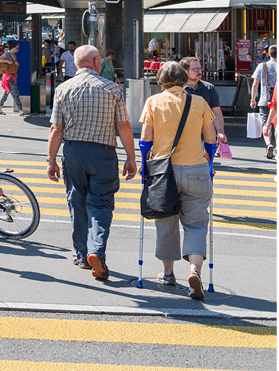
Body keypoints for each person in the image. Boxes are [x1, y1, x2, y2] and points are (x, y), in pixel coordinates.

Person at [46, 44, 139, 281]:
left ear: (76, 63)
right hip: (103, 153)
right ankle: (97, 251)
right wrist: (131, 157)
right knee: (101, 203)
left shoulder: (63, 89)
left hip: (73, 151)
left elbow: (56, 129)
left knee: (76, 200)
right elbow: (124, 126)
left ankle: (81, 254)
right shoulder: (112, 89)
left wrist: (51, 160)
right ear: (97, 61)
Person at [139, 62, 217, 300]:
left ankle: (168, 273)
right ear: (184, 80)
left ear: (160, 80)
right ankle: (194, 270)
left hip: (164, 171)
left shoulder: (153, 102)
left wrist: (145, 167)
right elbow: (211, 139)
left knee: (166, 222)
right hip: (195, 168)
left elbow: (145, 140)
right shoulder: (199, 102)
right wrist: (209, 164)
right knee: (196, 224)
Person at [180, 57, 227, 152]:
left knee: (207, 164)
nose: (199, 71)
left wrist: (220, 132)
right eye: (195, 69)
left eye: (200, 68)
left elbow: (216, 112)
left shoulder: (209, 88)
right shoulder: (178, 89)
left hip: (206, 136)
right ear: (185, 71)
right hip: (183, 137)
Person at [250, 45, 276, 158]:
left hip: (265, 99)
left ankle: (269, 144)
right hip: (277, 100)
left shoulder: (262, 66)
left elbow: (255, 84)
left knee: (266, 124)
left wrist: (253, 99)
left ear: (269, 54)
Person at [0, 40, 27, 116]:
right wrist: (7, 61)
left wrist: (15, 64)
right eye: (17, 48)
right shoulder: (7, 54)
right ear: (12, 48)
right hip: (8, 77)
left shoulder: (14, 55)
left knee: (6, 93)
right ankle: (20, 110)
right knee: (15, 93)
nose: (18, 50)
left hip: (11, 76)